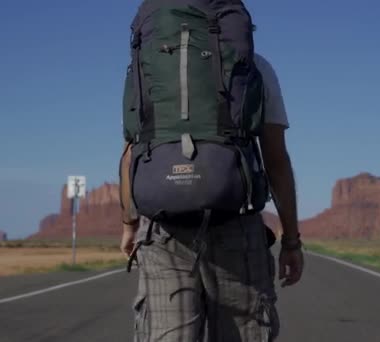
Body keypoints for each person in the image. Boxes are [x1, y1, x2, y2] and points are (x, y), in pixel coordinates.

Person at [119, 50, 303, 341]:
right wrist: (291, 241)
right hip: (236, 224)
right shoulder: (253, 65)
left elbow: (132, 155)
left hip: (164, 230)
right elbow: (275, 158)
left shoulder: (147, 63)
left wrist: (129, 225)